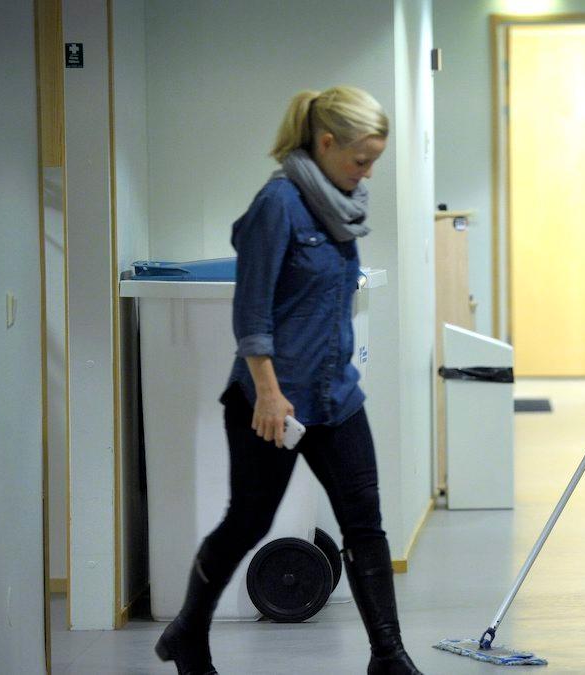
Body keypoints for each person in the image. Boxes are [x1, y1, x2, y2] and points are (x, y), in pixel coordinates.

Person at [155, 86, 422, 674]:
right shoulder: (278, 204)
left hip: (337, 397)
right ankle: (188, 632)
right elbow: (251, 314)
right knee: (247, 522)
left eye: (375, 158)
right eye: (360, 158)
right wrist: (270, 395)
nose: (368, 171)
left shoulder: (340, 204)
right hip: (270, 402)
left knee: (365, 525)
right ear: (325, 143)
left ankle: (389, 657)